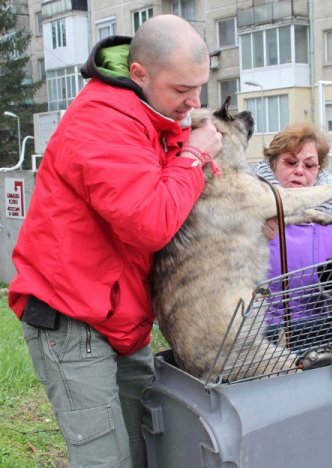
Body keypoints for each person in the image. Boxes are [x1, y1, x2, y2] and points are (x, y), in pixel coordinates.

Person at [8, 15, 222, 468]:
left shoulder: (153, 113)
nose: (194, 101)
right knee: (105, 459)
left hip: (119, 313)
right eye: (182, 89)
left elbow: (170, 201)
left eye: (200, 87)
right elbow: (149, 221)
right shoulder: (103, 123)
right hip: (73, 318)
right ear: (139, 73)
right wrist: (196, 155)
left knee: (151, 444)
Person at [256, 122, 332, 351]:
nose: (300, 171)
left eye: (310, 165)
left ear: (319, 171)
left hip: (316, 332)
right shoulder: (251, 210)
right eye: (291, 162)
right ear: (272, 164)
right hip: (259, 337)